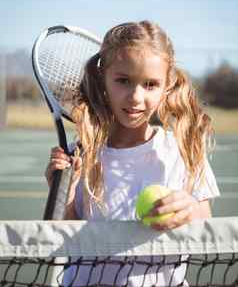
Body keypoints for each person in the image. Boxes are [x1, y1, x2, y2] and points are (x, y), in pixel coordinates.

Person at [46, 20, 220, 286]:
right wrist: (66, 197)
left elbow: (208, 232)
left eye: (150, 84)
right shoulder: (78, 156)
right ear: (103, 80)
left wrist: (189, 210)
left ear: (167, 87)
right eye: (123, 81)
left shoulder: (183, 152)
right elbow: (57, 243)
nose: (136, 97)